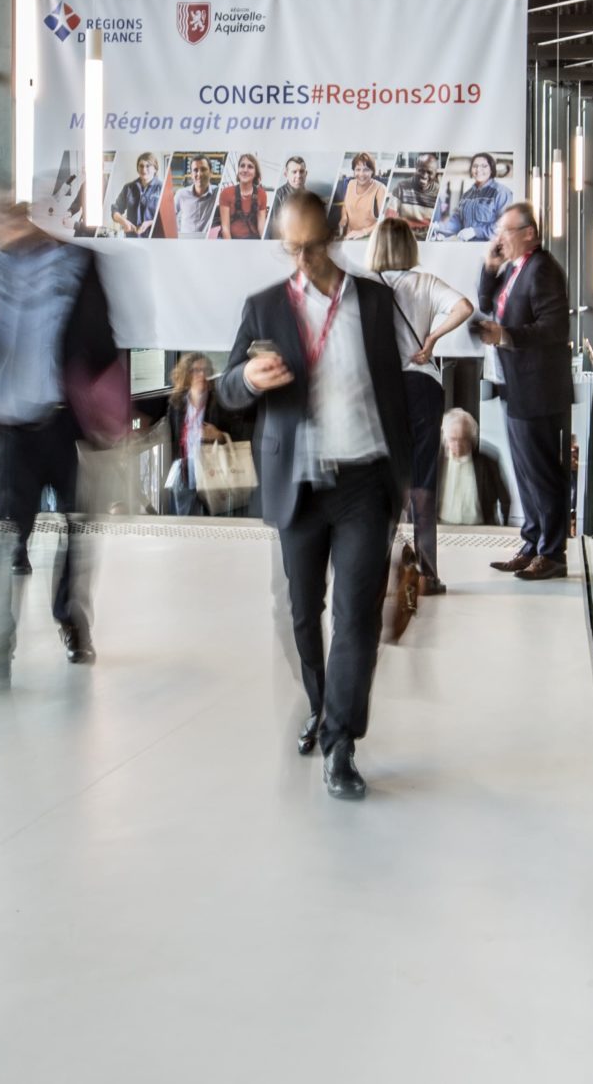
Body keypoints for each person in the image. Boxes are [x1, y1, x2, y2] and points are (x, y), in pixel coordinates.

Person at [216, 189, 412, 801]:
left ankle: (341, 744)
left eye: (309, 244)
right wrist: (247, 378)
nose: (300, 258)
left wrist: (403, 482)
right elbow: (226, 390)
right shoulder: (264, 308)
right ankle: (322, 704)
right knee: (303, 615)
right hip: (297, 484)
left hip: (362, 483)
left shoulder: (376, 303)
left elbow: (396, 392)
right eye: (289, 247)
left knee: (355, 617)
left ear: (332, 236)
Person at [0, 198, 120, 679]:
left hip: (65, 424)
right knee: (5, 538)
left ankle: (72, 622)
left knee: (78, 529)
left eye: (4, 221)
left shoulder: (76, 265)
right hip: (14, 429)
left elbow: (99, 341)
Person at [368, 218, 475, 593]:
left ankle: (377, 575)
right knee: (423, 481)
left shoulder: (367, 286)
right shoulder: (425, 283)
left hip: (382, 390)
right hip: (423, 385)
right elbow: (464, 306)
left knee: (384, 482)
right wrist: (431, 339)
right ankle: (428, 575)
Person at [475, 203, 572, 581]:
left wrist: (507, 335)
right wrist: (489, 266)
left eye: (506, 231)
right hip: (515, 385)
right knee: (525, 472)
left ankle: (552, 553)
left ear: (529, 232)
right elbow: (486, 303)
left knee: (542, 472)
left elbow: (554, 328)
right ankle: (532, 543)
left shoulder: (543, 268)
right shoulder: (515, 268)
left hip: (539, 388)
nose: (500, 238)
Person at [162, 352, 226, 515]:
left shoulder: (220, 402)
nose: (202, 374)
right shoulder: (176, 403)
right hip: (183, 471)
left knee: (212, 524)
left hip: (213, 473)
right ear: (186, 374)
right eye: (196, 370)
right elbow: (170, 434)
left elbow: (239, 434)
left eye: (205, 370)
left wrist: (218, 435)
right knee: (184, 523)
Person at [438, 408, 512, 528]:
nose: (457, 445)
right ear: (445, 439)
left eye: (462, 439)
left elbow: (504, 498)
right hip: (442, 529)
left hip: (480, 529)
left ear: (471, 439)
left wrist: (504, 525)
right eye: (453, 439)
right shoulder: (437, 464)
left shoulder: (488, 462)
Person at [430, 151, 511, 242]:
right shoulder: (467, 195)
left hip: (488, 249)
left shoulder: (501, 192)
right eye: (475, 166)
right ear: (471, 170)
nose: (478, 170)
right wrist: (439, 226)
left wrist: (476, 231)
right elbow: (457, 220)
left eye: (484, 166)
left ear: (491, 169)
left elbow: (504, 226)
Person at [214, 152, 270, 240]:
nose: (245, 170)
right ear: (238, 170)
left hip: (251, 239)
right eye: (242, 166)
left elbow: (261, 227)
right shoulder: (226, 193)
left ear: (256, 173)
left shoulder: (261, 194)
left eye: (250, 167)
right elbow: (225, 229)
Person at [335, 152, 388, 240]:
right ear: (354, 170)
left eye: (366, 170)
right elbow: (345, 206)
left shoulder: (380, 189)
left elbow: (384, 220)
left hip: (369, 238)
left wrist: (363, 232)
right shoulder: (351, 184)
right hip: (350, 236)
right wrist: (344, 218)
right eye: (358, 169)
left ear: (372, 171)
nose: (361, 174)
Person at [110, 152, 163, 238]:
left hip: (155, 240)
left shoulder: (162, 188)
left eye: (148, 166)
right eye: (141, 166)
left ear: (155, 169)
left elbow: (169, 220)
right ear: (137, 168)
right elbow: (115, 209)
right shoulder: (128, 188)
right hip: (132, 239)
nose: (144, 169)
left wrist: (150, 223)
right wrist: (123, 221)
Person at [383, 152, 441, 227]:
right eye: (421, 171)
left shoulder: (438, 191)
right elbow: (389, 217)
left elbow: (436, 224)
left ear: (435, 174)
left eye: (429, 172)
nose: (424, 176)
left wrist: (405, 221)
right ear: (416, 169)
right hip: (404, 232)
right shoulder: (401, 187)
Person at [170, 156, 217, 238]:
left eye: (203, 169)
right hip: (186, 243)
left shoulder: (217, 193)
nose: (199, 174)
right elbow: (169, 218)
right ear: (191, 175)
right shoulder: (181, 194)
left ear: (211, 173)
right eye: (195, 170)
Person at [268, 155, 313, 233]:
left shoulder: (312, 197)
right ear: (286, 174)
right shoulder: (278, 196)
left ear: (306, 173)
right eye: (294, 172)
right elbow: (274, 229)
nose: (298, 176)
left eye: (301, 171)